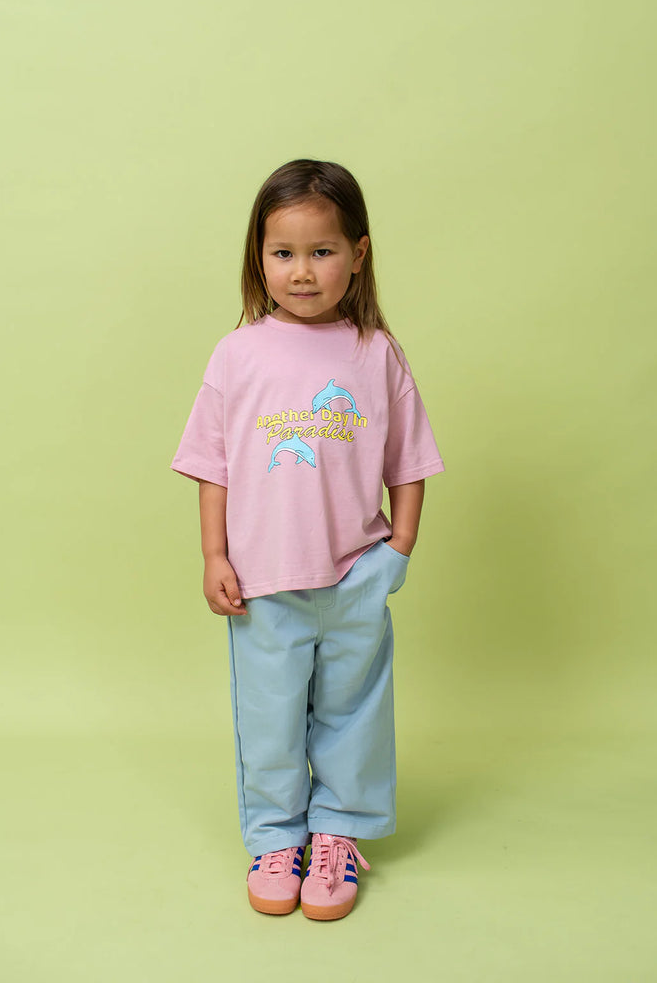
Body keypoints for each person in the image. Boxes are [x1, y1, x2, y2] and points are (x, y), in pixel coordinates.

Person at [169, 158, 445, 921]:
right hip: (263, 581)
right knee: (269, 716)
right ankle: (275, 838)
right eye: (282, 253)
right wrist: (214, 555)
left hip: (356, 574)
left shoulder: (375, 352)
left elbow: (410, 461)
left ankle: (337, 833)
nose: (300, 271)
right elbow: (213, 465)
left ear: (357, 254)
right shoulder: (237, 353)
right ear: (257, 257)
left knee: (354, 711)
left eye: (321, 251)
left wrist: (398, 550)